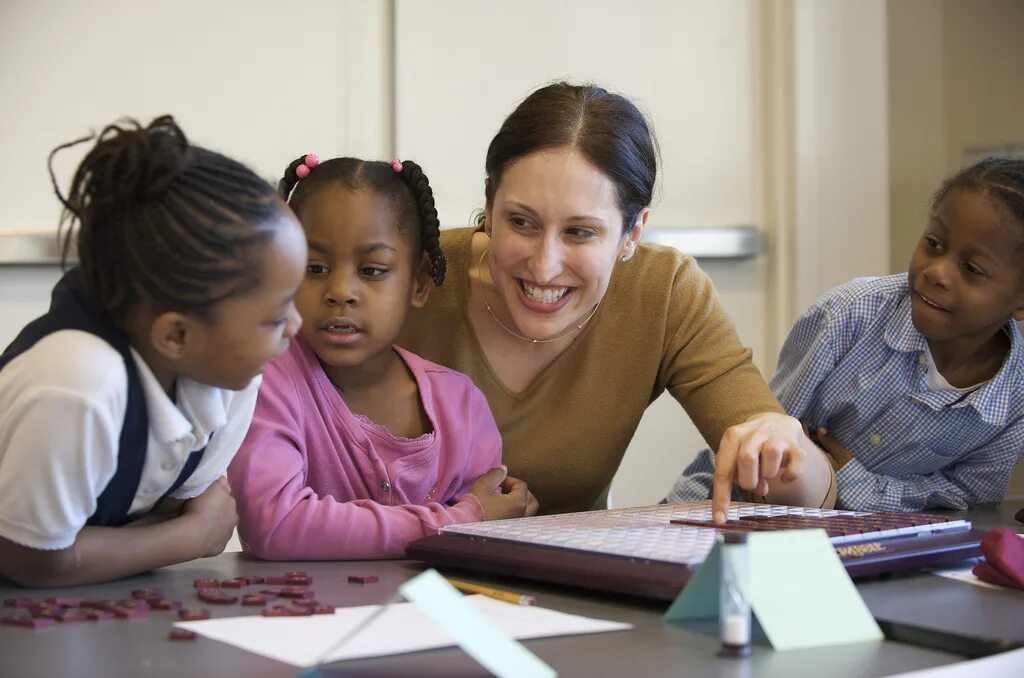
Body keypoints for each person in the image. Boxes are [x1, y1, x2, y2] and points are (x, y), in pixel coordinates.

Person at [396, 82, 835, 523]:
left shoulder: (663, 292)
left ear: (633, 233)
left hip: (564, 579)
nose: (544, 266)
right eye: (521, 222)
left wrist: (784, 444)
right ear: (489, 205)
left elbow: (799, 494)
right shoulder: (409, 277)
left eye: (580, 232)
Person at [0, 116, 306, 587]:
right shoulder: (80, 380)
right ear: (176, 335)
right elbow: (32, 560)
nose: (296, 326)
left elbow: (179, 506)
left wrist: (155, 531)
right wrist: (193, 538)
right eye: (274, 315)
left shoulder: (231, 374)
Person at [668, 157, 1024, 511]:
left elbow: (966, 498)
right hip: (727, 508)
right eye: (933, 243)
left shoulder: (1016, 397)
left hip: (873, 546)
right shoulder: (849, 314)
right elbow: (768, 439)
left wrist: (849, 477)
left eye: (972, 269)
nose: (937, 272)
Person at [228, 155, 538, 560]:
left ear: (420, 283)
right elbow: (276, 525)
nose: (340, 291)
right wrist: (456, 520)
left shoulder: (461, 405)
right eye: (315, 267)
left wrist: (478, 518)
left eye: (372, 270)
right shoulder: (268, 382)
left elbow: (480, 542)